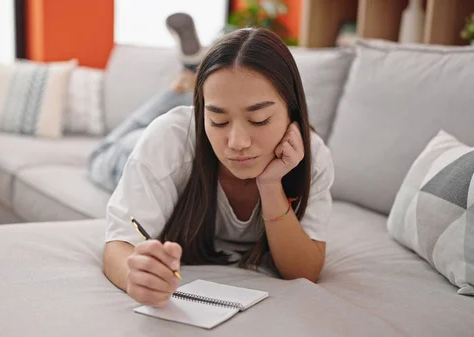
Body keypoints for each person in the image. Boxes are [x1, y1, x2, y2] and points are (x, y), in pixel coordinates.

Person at [102, 27, 335, 308]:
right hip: (126, 154)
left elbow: (304, 271)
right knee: (105, 152)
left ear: (292, 111)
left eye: (259, 119)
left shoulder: (313, 156)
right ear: (202, 116)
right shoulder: (167, 141)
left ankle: (190, 80)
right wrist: (135, 277)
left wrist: (270, 184)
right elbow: (118, 244)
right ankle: (180, 86)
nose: (237, 143)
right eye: (219, 122)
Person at [87, 13, 202, 192]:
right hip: (160, 144)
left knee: (97, 157)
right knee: (141, 123)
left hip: (136, 151)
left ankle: (185, 82)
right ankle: (188, 79)